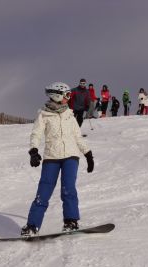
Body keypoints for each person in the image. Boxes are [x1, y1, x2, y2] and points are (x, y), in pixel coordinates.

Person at [21, 82, 95, 236]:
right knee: (43, 191)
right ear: (57, 96)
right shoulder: (43, 114)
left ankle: (71, 221)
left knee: (68, 189)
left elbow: (77, 136)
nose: (69, 98)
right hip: (51, 157)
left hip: (71, 156)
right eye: (67, 95)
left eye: (69, 95)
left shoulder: (70, 114)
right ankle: (32, 226)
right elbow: (36, 134)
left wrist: (88, 154)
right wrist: (33, 151)